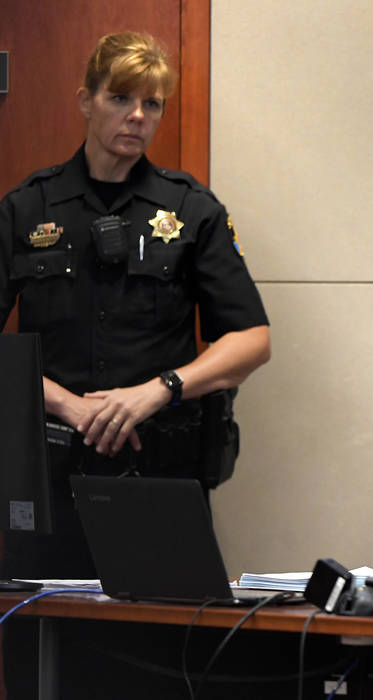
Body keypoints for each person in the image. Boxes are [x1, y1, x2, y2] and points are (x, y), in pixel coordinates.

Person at [0, 32, 270, 697]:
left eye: (152, 103)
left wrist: (159, 391)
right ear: (85, 100)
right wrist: (65, 402)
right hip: (49, 481)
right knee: (46, 664)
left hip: (158, 482)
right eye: (121, 98)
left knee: (160, 665)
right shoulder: (27, 208)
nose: (138, 117)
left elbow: (251, 340)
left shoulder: (190, 210)